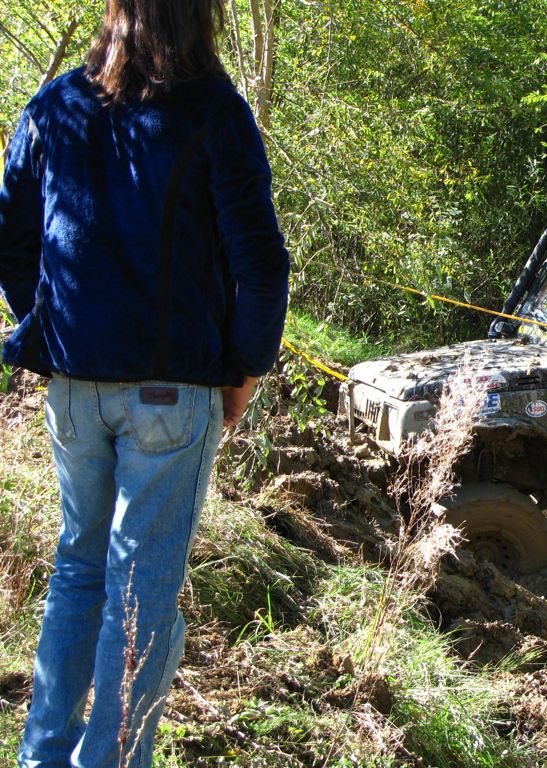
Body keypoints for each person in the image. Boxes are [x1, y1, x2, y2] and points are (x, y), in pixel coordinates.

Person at [0, 1, 290, 765]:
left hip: (73, 382)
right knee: (142, 598)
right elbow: (261, 262)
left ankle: (42, 756)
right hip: (171, 390)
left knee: (77, 569)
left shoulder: (56, 102)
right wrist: (245, 370)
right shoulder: (214, 109)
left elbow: (13, 238)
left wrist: (56, 326)